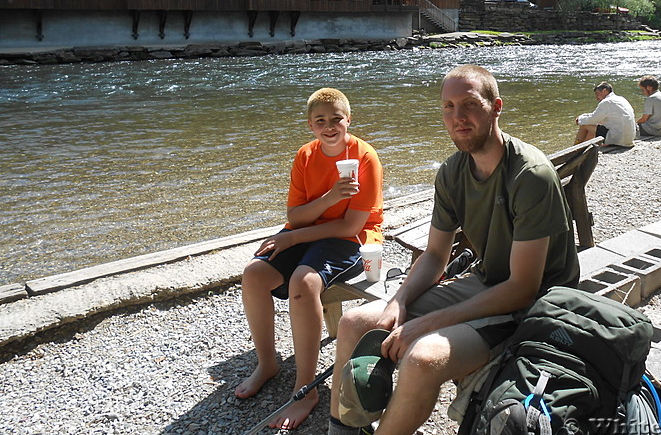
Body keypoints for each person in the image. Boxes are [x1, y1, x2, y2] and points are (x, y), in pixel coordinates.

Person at [327, 65, 580, 435]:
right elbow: (434, 256)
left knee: (422, 358)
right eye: (448, 106)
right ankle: (345, 428)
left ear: (496, 107)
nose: (457, 117)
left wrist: (424, 324)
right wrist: (399, 301)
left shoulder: (530, 175)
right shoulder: (452, 172)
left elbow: (524, 287)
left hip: (536, 304)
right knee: (355, 323)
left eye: (469, 104)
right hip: (486, 282)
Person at [236, 87, 383, 430]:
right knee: (254, 273)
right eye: (321, 121)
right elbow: (297, 215)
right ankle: (267, 363)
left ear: (349, 120)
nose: (329, 126)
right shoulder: (305, 155)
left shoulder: (364, 157)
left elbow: (350, 224)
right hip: (307, 231)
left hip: (351, 239)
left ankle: (305, 389)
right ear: (310, 125)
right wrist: (330, 196)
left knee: (304, 282)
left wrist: (290, 237)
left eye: (336, 119)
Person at [575, 81, 636, 147]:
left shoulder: (606, 102)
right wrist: (584, 116)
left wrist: (579, 120)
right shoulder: (621, 99)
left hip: (618, 139)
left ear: (604, 91)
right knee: (594, 126)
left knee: (584, 125)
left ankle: (576, 147)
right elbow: (598, 116)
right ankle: (584, 147)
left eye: (597, 94)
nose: (597, 98)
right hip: (629, 139)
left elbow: (593, 119)